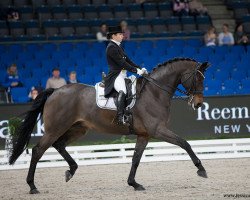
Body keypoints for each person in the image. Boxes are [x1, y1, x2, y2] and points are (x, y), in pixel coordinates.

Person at [104, 26, 147, 125]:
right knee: (122, 90)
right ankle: (120, 117)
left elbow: (128, 61)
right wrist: (136, 71)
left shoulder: (118, 46)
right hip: (116, 75)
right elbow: (122, 64)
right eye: (120, 34)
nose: (122, 36)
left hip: (123, 75)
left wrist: (139, 69)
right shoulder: (111, 47)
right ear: (113, 36)